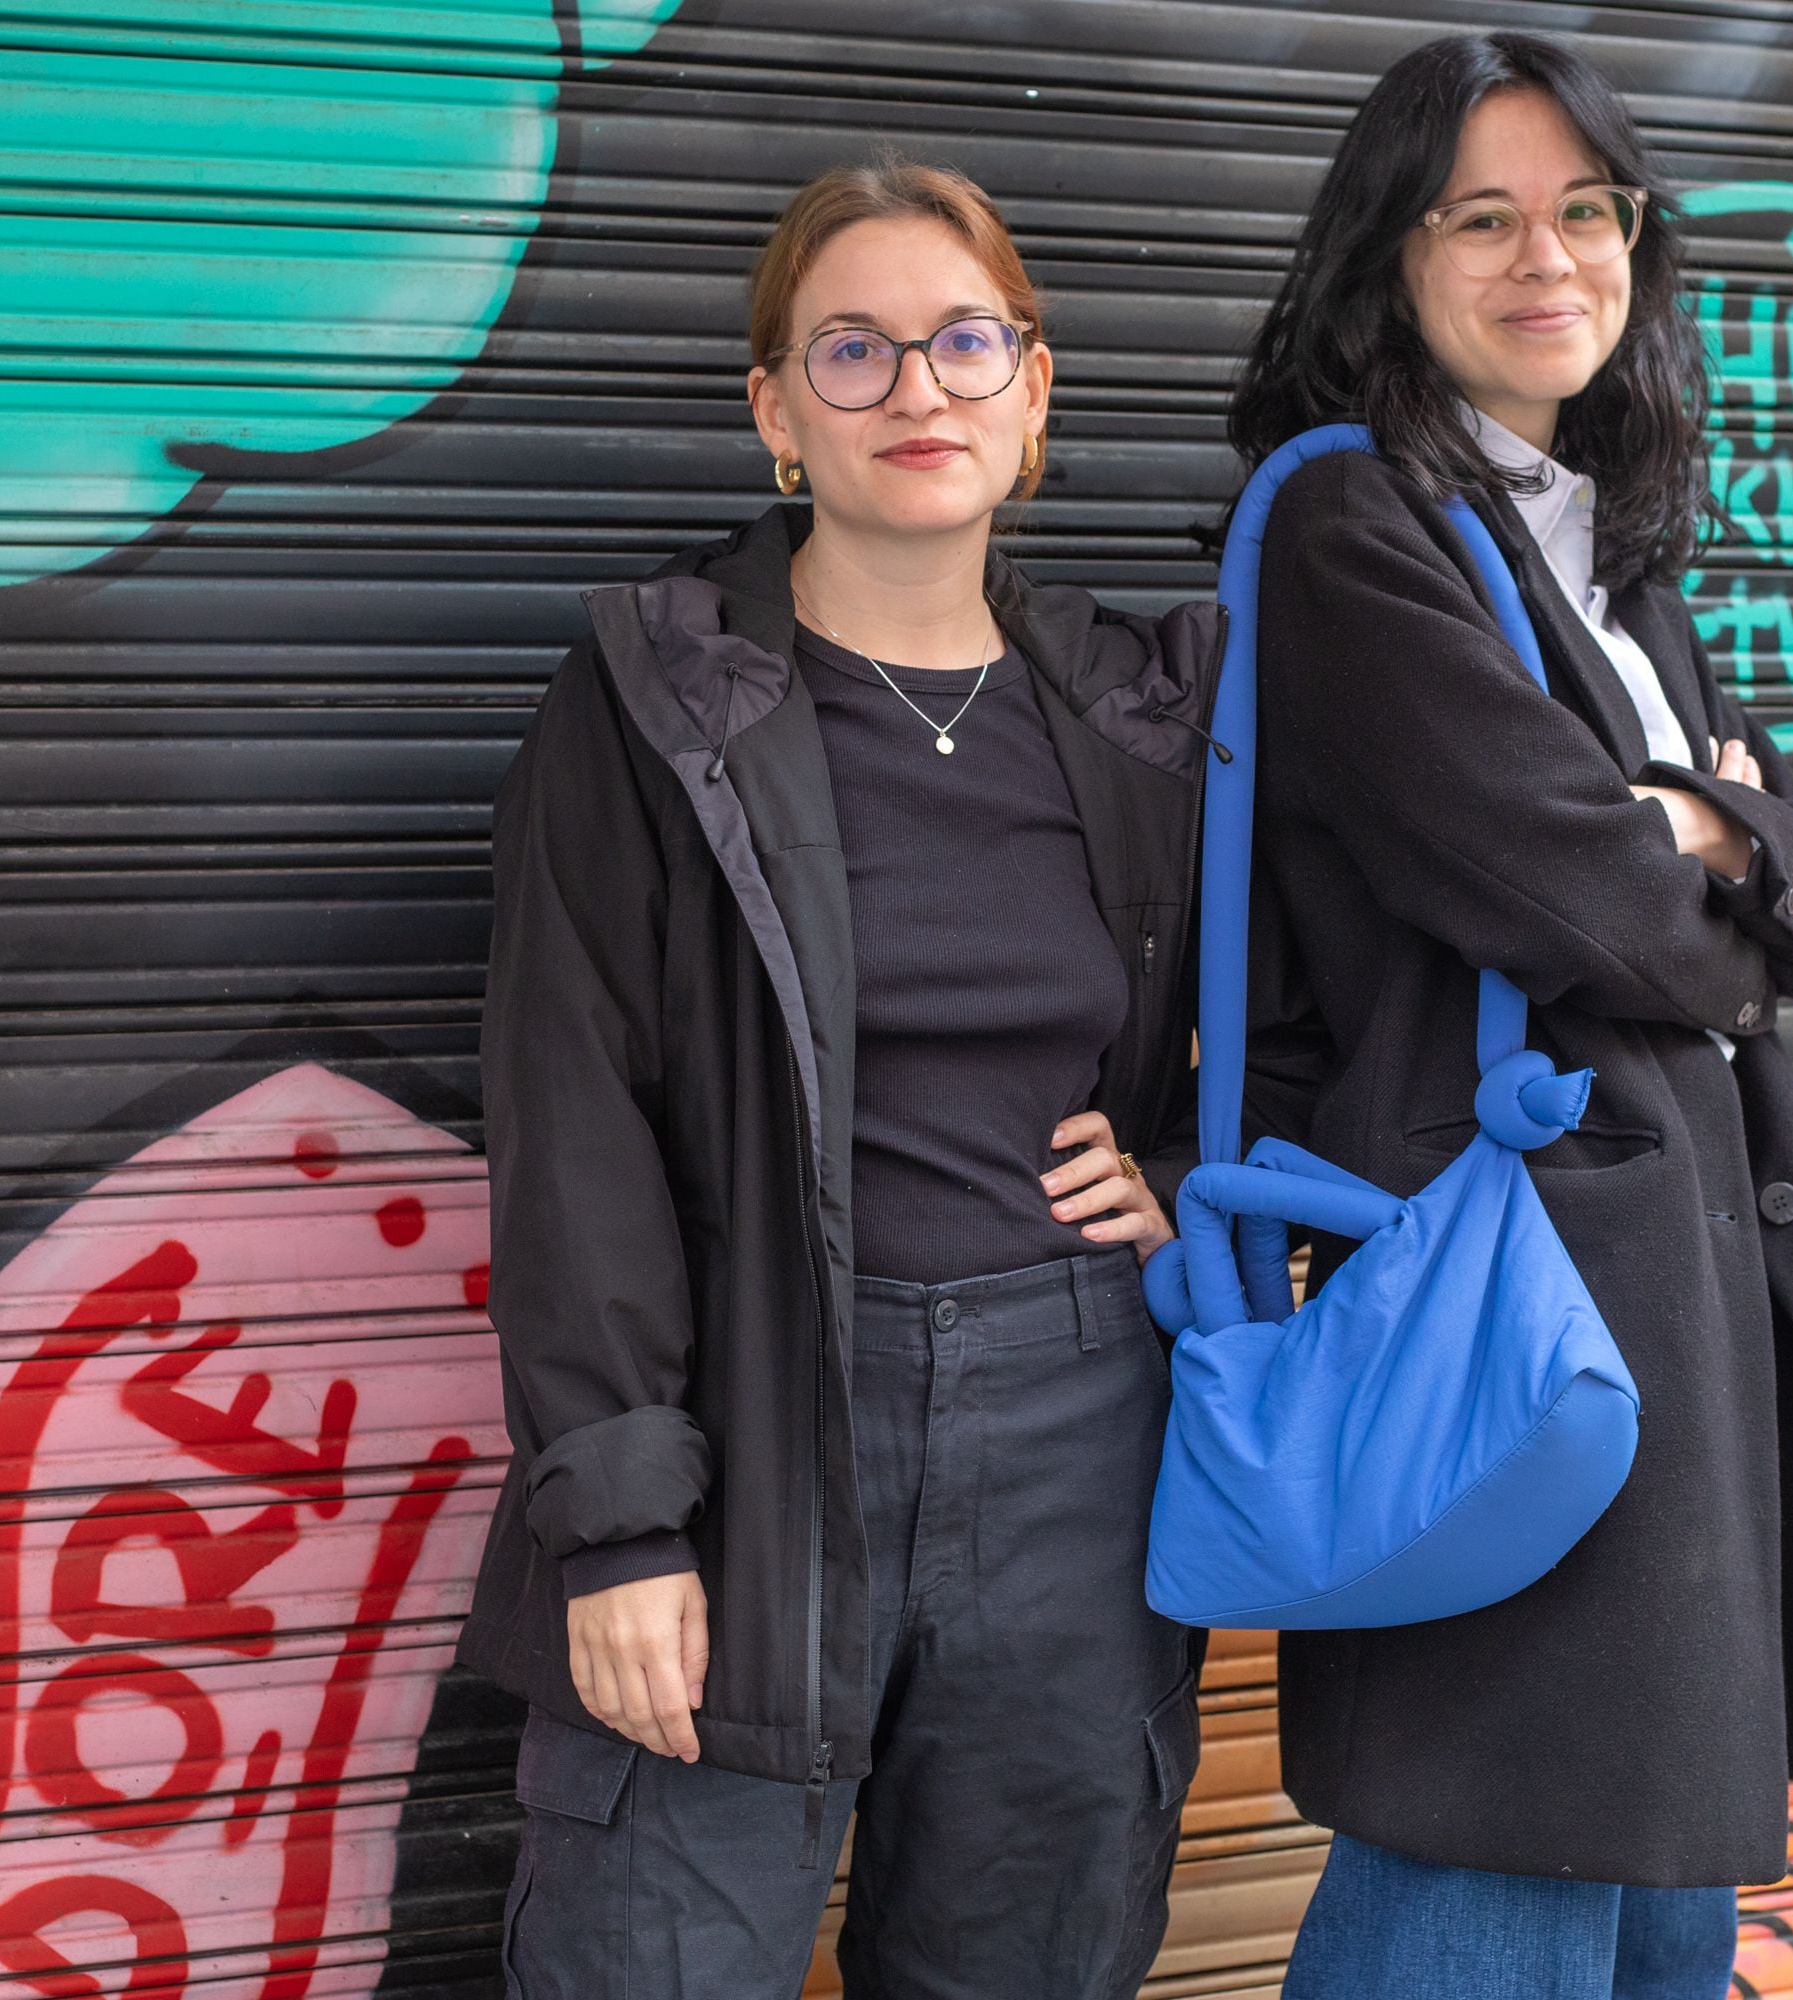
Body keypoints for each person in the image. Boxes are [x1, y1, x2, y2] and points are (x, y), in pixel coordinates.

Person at [462, 160, 1224, 1999]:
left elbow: (1347, 981)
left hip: (1075, 1428)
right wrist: (625, 1517)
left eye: (968, 344)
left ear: (1033, 391)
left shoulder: (1147, 713)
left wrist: (1198, 1168)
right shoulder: (656, 701)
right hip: (756, 1427)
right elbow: (571, 1116)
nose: (920, 392)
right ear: (777, 409)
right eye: (856, 351)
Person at [1224, 32, 1793, 1999]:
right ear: (1391, 254)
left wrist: (1722, 833)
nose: (1554, 259)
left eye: (1589, 211)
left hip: (1669, 1348)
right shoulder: (1358, 532)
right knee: (1488, 1869)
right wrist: (1720, 862)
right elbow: (1626, 923)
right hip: (1514, 1343)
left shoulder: (1604, 545)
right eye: (1488, 217)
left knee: (1645, 1921)